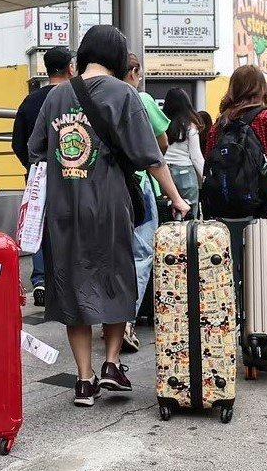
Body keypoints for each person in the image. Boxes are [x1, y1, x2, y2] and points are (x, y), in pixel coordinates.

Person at [29, 26, 189, 406]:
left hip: (64, 210)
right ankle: (112, 364)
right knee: (117, 281)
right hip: (109, 207)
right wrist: (177, 198)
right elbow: (151, 156)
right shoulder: (124, 94)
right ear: (118, 58)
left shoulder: (54, 98)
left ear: (84, 54)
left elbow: (35, 149)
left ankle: (83, 380)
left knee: (72, 289)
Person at [13, 47, 75, 308]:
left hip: (38, 175)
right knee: (70, 229)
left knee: (38, 227)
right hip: (71, 175)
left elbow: (18, 142)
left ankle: (40, 281)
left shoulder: (30, 101)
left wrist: (32, 166)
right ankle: (66, 283)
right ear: (70, 67)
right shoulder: (73, 97)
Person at [203, 65, 267, 218]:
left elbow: (209, 160)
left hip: (224, 203)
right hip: (261, 201)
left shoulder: (220, 123)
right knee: (262, 240)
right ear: (262, 88)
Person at [121, 53, 170, 354]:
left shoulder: (98, 97)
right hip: (139, 184)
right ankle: (127, 320)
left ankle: (111, 319)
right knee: (141, 252)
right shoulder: (142, 99)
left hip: (107, 188)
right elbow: (160, 144)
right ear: (135, 71)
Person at [161, 87, 204, 216]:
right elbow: (196, 157)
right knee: (189, 218)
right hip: (185, 173)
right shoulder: (190, 126)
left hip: (164, 174)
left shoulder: (162, 125)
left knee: (165, 216)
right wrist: (206, 178)